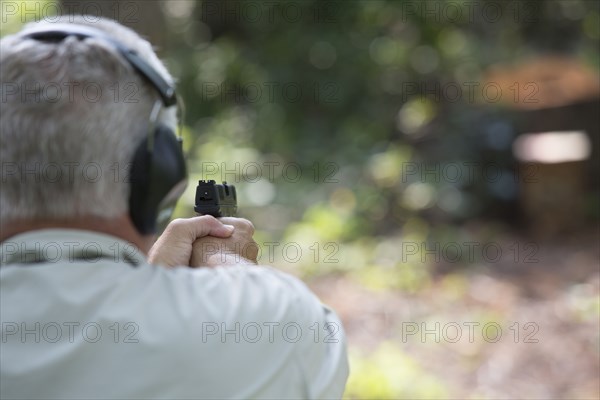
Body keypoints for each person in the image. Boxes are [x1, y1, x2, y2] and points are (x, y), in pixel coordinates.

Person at [0, 16, 348, 399]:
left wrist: (149, 277)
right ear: (159, 175)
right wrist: (224, 262)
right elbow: (322, 347)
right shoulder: (268, 322)